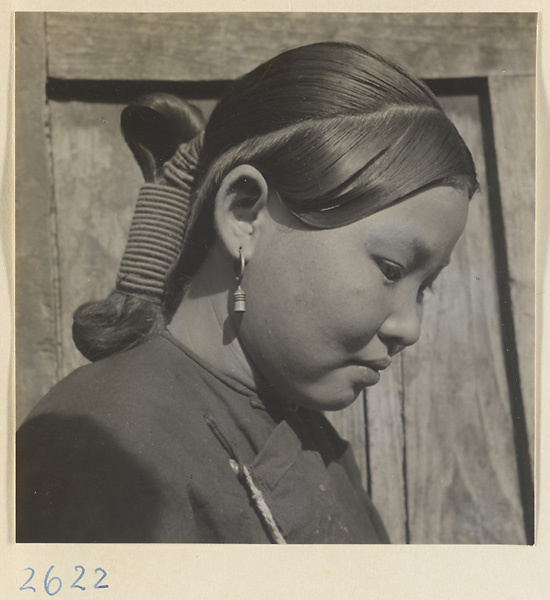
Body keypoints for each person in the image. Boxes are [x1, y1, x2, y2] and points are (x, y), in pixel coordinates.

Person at [16, 42, 478, 543]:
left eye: (425, 288)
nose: (409, 328)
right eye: (391, 269)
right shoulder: (108, 454)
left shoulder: (306, 435)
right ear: (244, 214)